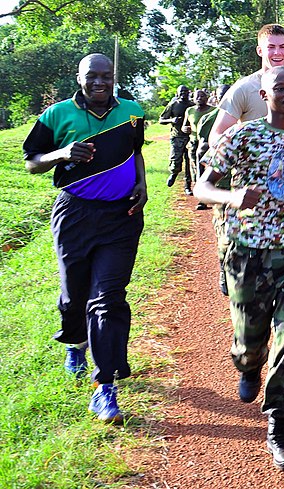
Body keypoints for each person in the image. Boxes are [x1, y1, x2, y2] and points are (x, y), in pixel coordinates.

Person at [194, 66, 284, 471]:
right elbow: (203, 186)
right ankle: (249, 363)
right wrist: (232, 196)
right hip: (249, 250)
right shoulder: (241, 135)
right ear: (264, 95)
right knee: (250, 340)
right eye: (280, 89)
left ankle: (279, 425)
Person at [22, 53, 147, 423]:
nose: (99, 82)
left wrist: (142, 183)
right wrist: (60, 154)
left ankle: (104, 386)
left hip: (121, 217)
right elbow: (31, 161)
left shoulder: (133, 110)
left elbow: (135, 151)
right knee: (74, 294)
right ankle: (75, 342)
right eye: (91, 76)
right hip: (74, 214)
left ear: (114, 78)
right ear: (79, 77)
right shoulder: (56, 114)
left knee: (107, 298)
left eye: (105, 76)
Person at [209, 24, 284, 144]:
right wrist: (249, 150)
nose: (277, 52)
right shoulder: (243, 89)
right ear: (260, 51)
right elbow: (216, 138)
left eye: (282, 47)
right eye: (271, 47)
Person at [197, 84, 233, 294]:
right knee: (225, 236)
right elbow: (203, 148)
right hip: (221, 185)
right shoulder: (210, 119)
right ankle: (223, 269)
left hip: (247, 187)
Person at [182, 88, 215, 209]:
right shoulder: (189, 111)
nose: (199, 98)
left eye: (202, 96)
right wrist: (185, 129)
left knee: (211, 169)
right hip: (194, 143)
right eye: (197, 96)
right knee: (197, 169)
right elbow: (184, 127)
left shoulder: (214, 111)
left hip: (208, 142)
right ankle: (202, 199)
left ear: (207, 98)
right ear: (193, 99)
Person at [160, 85, 194, 193]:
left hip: (190, 137)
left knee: (189, 163)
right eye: (181, 91)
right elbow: (161, 119)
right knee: (176, 160)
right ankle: (174, 174)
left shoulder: (193, 106)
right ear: (177, 93)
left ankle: (187, 186)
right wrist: (171, 120)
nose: (184, 93)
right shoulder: (173, 105)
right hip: (177, 137)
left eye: (186, 91)